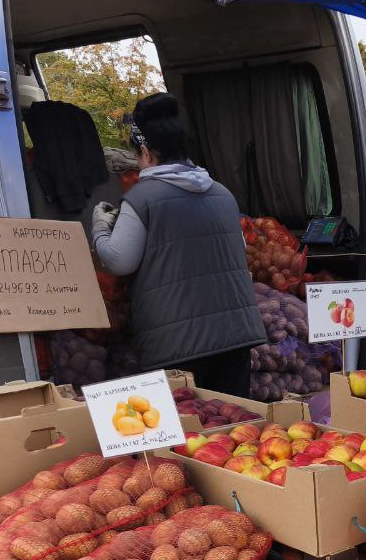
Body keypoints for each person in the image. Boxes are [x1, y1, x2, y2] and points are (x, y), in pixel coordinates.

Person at [91, 92, 264, 397]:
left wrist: (100, 228)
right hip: (235, 339)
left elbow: (119, 260)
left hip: (177, 347)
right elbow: (238, 251)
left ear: (144, 151)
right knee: (233, 427)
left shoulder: (142, 198)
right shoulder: (222, 194)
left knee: (186, 438)